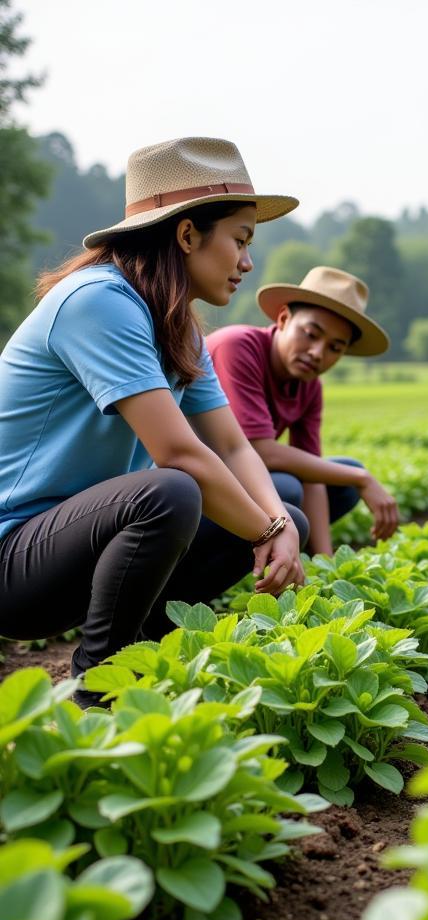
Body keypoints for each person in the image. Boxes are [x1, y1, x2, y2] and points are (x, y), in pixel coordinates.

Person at [0, 136, 305, 696]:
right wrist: (266, 529)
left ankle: (155, 653)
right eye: (240, 239)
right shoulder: (98, 301)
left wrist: (279, 527)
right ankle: (99, 687)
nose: (247, 261)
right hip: (13, 558)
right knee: (171, 492)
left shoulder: (178, 327)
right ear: (188, 234)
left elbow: (235, 448)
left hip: (79, 546)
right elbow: (181, 453)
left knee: (285, 511)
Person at [208, 267, 398, 555]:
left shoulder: (309, 386)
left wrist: (326, 562)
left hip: (237, 489)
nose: (318, 353)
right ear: (284, 319)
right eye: (310, 334)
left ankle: (301, 566)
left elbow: (312, 473)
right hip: (190, 489)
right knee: (287, 489)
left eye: (335, 348)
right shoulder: (237, 347)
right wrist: (362, 479)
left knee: (339, 477)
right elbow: (260, 450)